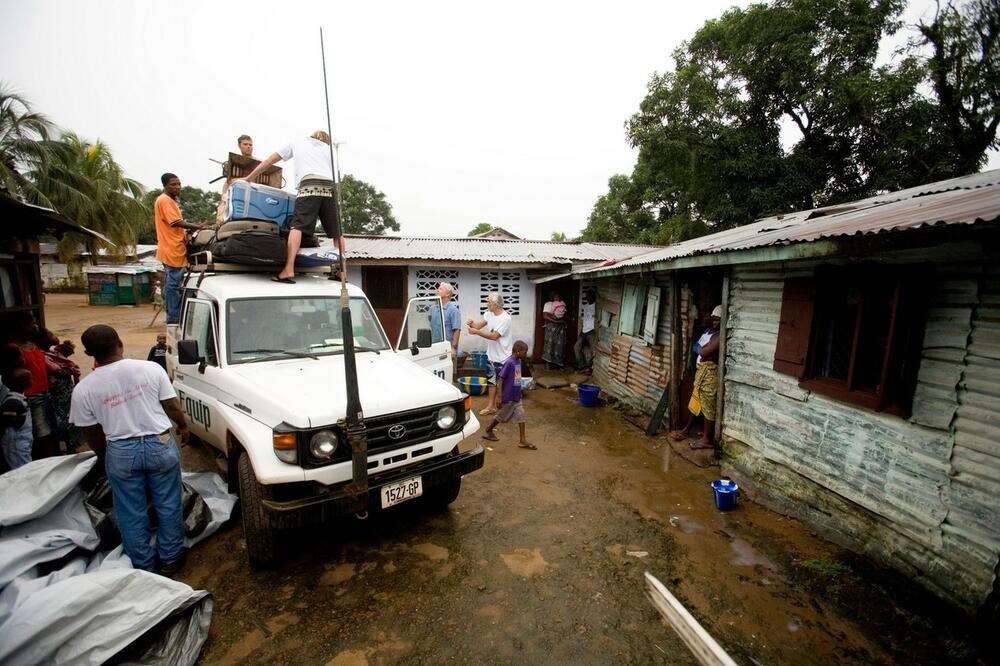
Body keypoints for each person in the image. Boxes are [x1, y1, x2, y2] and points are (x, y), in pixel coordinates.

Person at [69, 325, 190, 574]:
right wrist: (183, 426)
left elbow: (91, 432)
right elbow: (172, 405)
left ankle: (143, 564)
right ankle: (171, 559)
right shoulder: (150, 369)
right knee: (168, 503)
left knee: (129, 510)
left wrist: (106, 457)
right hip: (160, 443)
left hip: (121, 450)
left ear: (90, 353)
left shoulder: (83, 389)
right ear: (120, 344)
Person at [240, 131, 341, 284]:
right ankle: (342, 271)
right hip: (329, 186)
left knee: (297, 227)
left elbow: (270, 160)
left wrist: (248, 178)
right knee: (336, 232)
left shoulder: (298, 141)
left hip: (309, 184)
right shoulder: (329, 148)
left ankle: (288, 269)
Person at [154, 173, 205, 325]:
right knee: (174, 285)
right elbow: (175, 222)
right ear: (165, 185)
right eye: (173, 184)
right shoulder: (165, 200)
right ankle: (174, 318)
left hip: (172, 247)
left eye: (179, 184)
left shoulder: (168, 201)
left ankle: (174, 315)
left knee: (173, 283)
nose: (177, 187)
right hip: (172, 248)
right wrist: (199, 227)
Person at [5, 312, 57, 458]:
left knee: (50, 429)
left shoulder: (33, 345)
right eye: (33, 323)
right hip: (31, 396)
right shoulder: (13, 349)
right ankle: (47, 460)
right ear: (23, 326)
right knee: (41, 432)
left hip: (45, 392)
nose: (36, 326)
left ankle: (52, 456)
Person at [671, 305, 723, 451]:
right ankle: (687, 429)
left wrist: (703, 348)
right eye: (713, 319)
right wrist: (702, 348)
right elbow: (696, 347)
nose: (715, 322)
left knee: (708, 405)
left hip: (710, 374)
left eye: (718, 320)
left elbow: (705, 351)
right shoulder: (710, 332)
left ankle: (707, 439)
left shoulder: (720, 336)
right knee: (696, 401)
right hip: (701, 372)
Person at [481, 340, 534, 450]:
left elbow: (517, 379)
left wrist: (519, 392)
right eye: (525, 352)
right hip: (508, 397)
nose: (526, 354)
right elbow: (500, 379)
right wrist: (499, 397)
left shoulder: (518, 362)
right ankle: (488, 430)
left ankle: (522, 440)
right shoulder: (509, 363)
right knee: (501, 416)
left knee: (521, 416)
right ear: (518, 351)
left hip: (516, 397)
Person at [467, 292, 513, 416]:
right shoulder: (488, 314)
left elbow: (494, 336)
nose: (487, 303)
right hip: (492, 355)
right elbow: (478, 325)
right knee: (491, 382)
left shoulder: (506, 318)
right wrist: (472, 324)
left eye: (489, 302)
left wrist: (476, 332)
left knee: (503, 383)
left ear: (497, 304)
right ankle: (491, 406)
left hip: (504, 357)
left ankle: (505, 406)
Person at [38, 328, 81, 453]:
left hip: (65, 392)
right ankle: (67, 447)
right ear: (43, 340)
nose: (54, 335)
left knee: (69, 419)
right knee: (60, 421)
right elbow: (60, 371)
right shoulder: (43, 355)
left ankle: (71, 446)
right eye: (50, 334)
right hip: (57, 394)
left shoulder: (53, 353)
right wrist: (69, 370)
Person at [1, 368, 33, 471]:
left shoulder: (20, 399)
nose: (32, 381)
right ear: (23, 384)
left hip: (23, 442)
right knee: (20, 469)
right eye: (30, 379)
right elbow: (7, 426)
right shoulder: (13, 403)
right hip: (15, 444)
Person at [541, 291, 568, 369]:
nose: (554, 297)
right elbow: (545, 316)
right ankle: (548, 364)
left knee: (560, 346)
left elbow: (565, 314)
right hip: (551, 328)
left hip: (561, 328)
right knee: (549, 345)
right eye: (552, 295)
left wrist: (561, 319)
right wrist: (557, 321)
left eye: (556, 295)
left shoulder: (562, 304)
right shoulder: (548, 304)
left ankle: (559, 364)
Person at [438, 282, 462, 362]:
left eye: (441, 289)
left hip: (447, 350)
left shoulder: (453, 310)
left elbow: (457, 330)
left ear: (448, 294)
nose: (438, 290)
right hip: (435, 348)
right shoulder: (433, 308)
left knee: (449, 372)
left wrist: (453, 348)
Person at [575, 290, 596, 374]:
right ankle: (582, 366)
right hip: (584, 331)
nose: (588, 298)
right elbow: (584, 318)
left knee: (593, 350)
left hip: (592, 331)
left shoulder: (596, 306)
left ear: (593, 297)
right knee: (576, 347)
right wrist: (581, 329)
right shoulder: (585, 306)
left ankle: (590, 368)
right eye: (587, 296)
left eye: (589, 296)